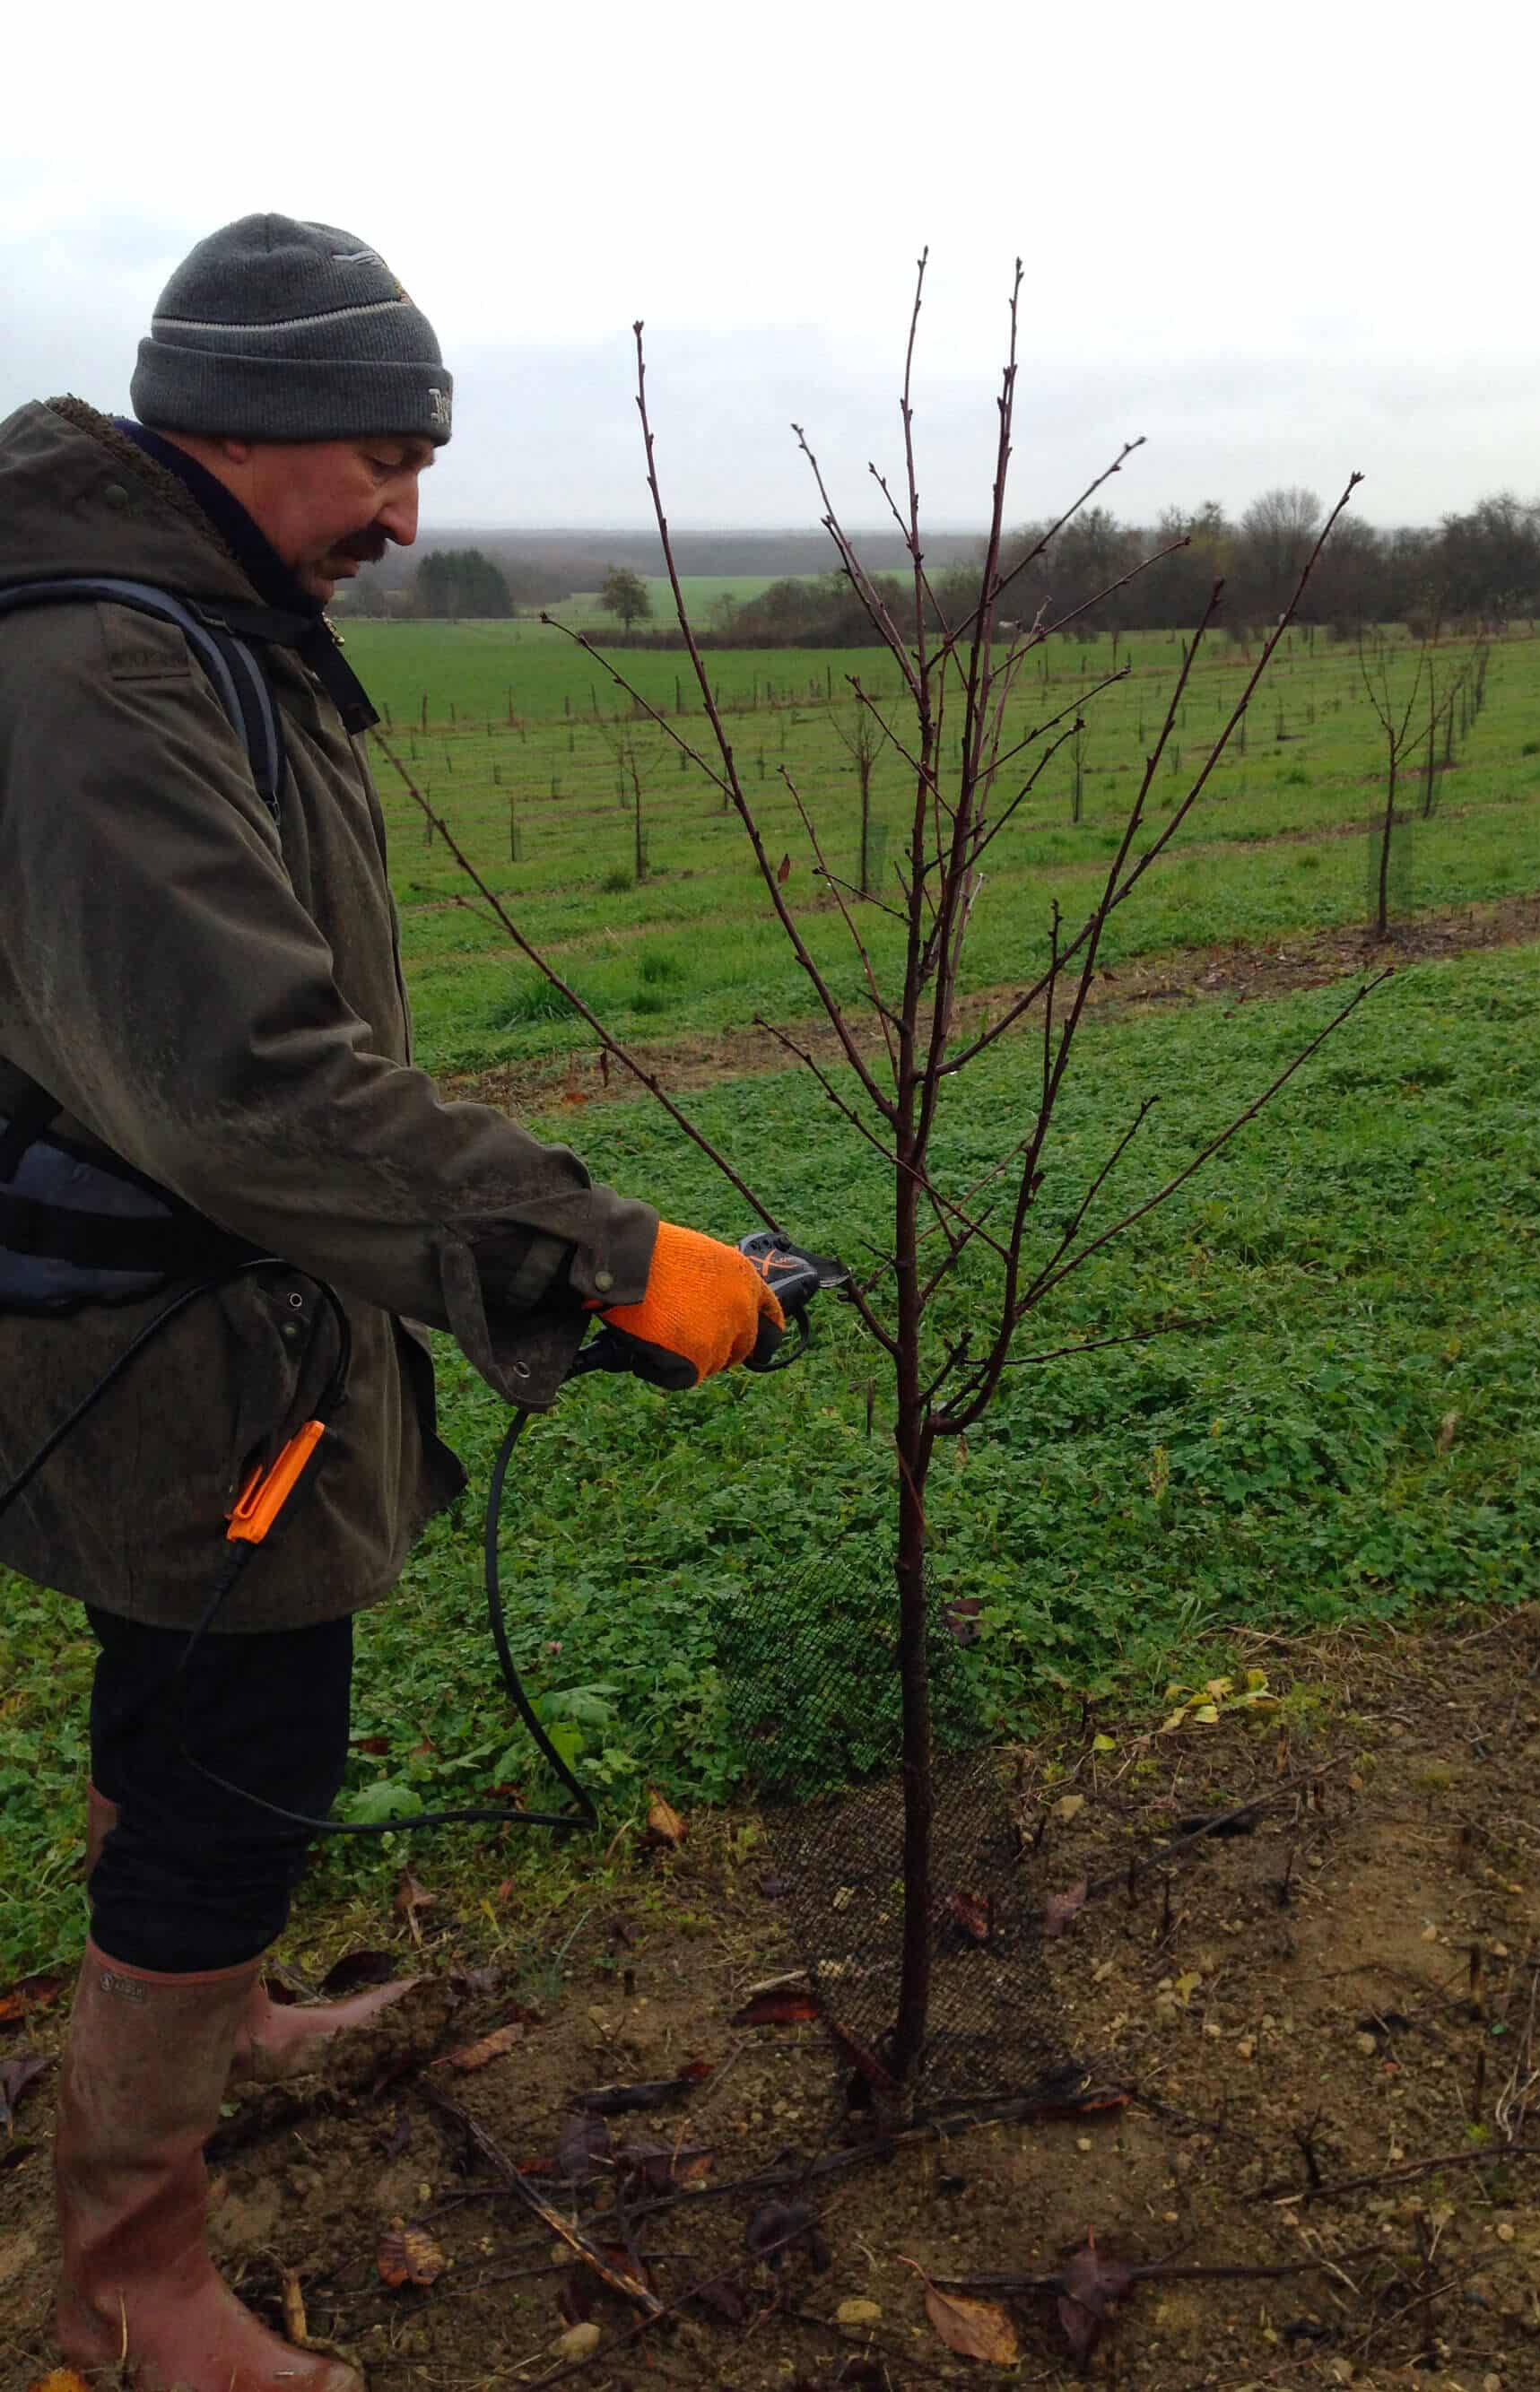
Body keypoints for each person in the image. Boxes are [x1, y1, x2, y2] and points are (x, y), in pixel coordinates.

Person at [0, 213, 782, 2392]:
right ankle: (129, 2281)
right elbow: (247, 1082)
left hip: (199, 1313)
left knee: (182, 1706)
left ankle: (219, 2006)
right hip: (171, 1336)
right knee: (237, 1753)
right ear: (239, 428)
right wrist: (598, 1257)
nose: (408, 517)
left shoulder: (196, 613)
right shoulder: (102, 672)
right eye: (381, 458)